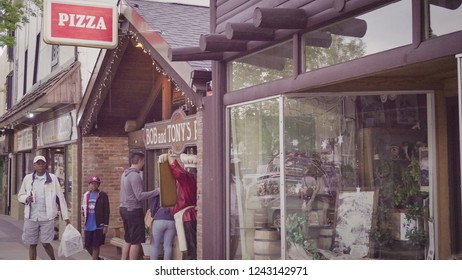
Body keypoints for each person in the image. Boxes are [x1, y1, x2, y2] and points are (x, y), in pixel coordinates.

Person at [17, 155, 70, 260]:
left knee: (45, 243)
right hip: (31, 217)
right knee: (32, 244)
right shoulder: (28, 179)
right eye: (38, 163)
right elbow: (20, 196)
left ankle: (53, 260)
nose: (40, 165)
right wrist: (27, 198)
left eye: (42, 163)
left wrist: (66, 217)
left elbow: (60, 198)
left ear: (45, 165)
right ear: (34, 165)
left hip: (47, 217)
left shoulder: (53, 178)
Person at [120, 152, 159, 260]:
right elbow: (139, 196)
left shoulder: (124, 174)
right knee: (136, 241)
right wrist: (156, 191)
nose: (144, 164)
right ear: (140, 161)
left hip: (123, 208)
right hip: (133, 210)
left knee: (128, 239)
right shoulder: (135, 176)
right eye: (143, 161)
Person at [159, 151, 197, 260]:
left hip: (186, 217)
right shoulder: (191, 178)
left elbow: (179, 173)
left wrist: (169, 158)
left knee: (191, 250)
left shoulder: (188, 177)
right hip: (186, 216)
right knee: (190, 249)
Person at [82, 176, 110, 260]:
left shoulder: (103, 195)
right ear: (89, 184)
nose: (93, 185)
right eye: (92, 183)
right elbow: (84, 208)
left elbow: (106, 211)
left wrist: (105, 225)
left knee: (96, 246)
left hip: (98, 225)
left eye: (96, 183)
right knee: (87, 246)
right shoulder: (86, 195)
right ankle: (97, 259)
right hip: (88, 225)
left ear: (98, 185)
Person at [148, 194, 176, 260]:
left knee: (155, 246)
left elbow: (152, 209)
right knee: (168, 246)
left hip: (158, 220)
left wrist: (153, 214)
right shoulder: (174, 191)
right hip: (171, 220)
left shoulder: (159, 191)